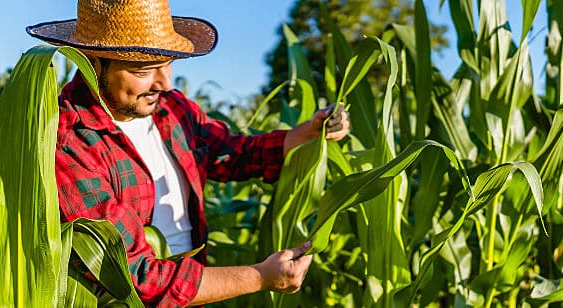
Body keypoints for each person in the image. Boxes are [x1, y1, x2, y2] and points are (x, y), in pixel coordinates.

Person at [26, 0, 350, 306]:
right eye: (144, 70)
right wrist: (260, 277)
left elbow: (232, 154)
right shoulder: (68, 143)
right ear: (91, 62)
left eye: (168, 64)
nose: (164, 84)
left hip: (193, 294)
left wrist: (307, 133)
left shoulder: (172, 109)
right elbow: (133, 275)